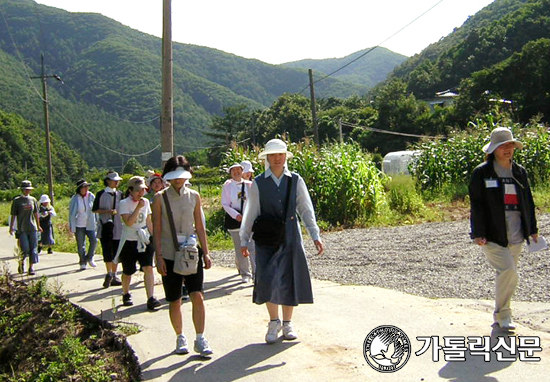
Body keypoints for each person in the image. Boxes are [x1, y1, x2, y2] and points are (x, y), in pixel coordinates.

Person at [240, 139, 324, 344]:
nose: (277, 159)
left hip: (290, 235)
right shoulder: (258, 182)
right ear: (267, 158)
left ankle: (288, 323)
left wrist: (315, 235)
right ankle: (273, 321)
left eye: (280, 154)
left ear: (285, 156)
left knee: (290, 277)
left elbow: (305, 208)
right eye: (273, 155)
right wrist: (244, 239)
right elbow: (251, 212)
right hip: (266, 237)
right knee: (267, 277)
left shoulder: (295, 180)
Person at [469, 127, 538, 331]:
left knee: (507, 273)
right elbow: (477, 205)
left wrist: (532, 228)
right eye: (502, 146)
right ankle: (504, 315)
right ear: (493, 149)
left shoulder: (519, 172)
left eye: (510, 145)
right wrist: (478, 233)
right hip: (492, 233)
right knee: (508, 270)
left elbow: (528, 201)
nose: (507, 149)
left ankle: (501, 313)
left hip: (516, 231)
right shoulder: (482, 173)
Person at [152, 155, 213, 357]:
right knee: (175, 299)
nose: (179, 180)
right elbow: (158, 229)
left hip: (191, 252)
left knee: (197, 295)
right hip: (169, 253)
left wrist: (206, 252)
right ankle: (180, 336)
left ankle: (201, 337)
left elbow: (200, 226)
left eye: (182, 175)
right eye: (175, 176)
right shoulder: (160, 198)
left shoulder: (194, 196)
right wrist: (158, 256)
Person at [114, 176, 161, 311]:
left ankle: (151, 297)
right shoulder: (124, 203)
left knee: (148, 267)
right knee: (128, 271)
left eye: (142, 190)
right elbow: (128, 222)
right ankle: (126, 293)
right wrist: (137, 208)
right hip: (129, 240)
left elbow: (148, 221)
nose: (140, 194)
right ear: (130, 190)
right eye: (137, 191)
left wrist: (154, 237)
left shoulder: (146, 202)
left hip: (143, 238)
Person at [221, 163, 255, 283]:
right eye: (233, 170)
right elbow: (225, 203)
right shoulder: (228, 186)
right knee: (240, 248)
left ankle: (256, 273)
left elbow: (254, 202)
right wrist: (236, 215)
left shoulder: (250, 185)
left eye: (238, 170)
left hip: (249, 220)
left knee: (252, 247)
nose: (236, 172)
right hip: (234, 221)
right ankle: (245, 273)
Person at [93, 171, 123, 288]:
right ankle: (109, 273)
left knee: (116, 250)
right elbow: (95, 209)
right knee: (107, 250)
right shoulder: (101, 194)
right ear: (108, 181)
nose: (117, 182)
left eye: (118, 181)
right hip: (105, 225)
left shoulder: (120, 194)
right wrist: (107, 212)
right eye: (114, 180)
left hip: (117, 227)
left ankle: (113, 274)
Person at [9, 180, 42, 275]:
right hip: (22, 228)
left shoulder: (33, 200)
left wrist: (38, 225)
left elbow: (36, 213)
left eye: (28, 189)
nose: (27, 191)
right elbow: (13, 215)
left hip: (32, 228)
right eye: (25, 189)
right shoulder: (17, 201)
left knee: (33, 248)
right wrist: (11, 227)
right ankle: (21, 262)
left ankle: (31, 267)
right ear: (22, 190)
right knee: (25, 248)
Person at [68, 180, 97, 271]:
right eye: (84, 187)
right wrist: (71, 226)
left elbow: (96, 209)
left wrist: (97, 221)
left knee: (94, 240)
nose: (86, 188)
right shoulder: (75, 198)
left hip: (90, 223)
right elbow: (71, 213)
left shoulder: (91, 196)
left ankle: (89, 257)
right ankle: (82, 261)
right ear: (79, 189)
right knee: (81, 245)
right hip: (79, 224)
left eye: (87, 186)